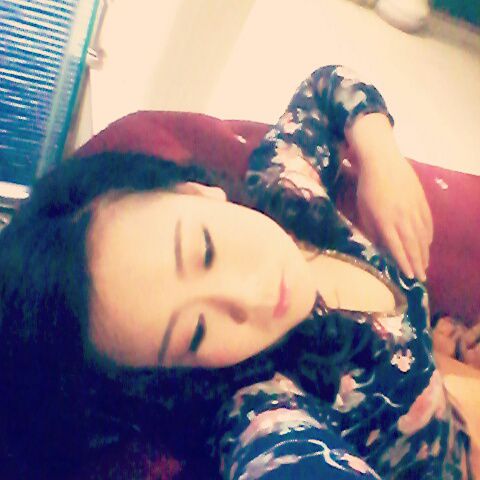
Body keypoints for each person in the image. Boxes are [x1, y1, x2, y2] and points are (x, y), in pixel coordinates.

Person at [0, 65, 471, 479]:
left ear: (195, 191)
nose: (248, 297)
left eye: (205, 251)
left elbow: (325, 88)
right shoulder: (263, 404)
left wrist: (381, 158)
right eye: (196, 332)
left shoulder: (286, 192)